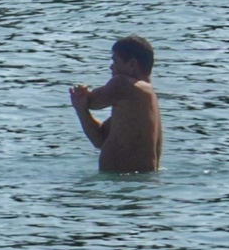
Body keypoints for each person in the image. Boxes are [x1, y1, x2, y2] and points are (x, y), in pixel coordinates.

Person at [69, 35, 162, 173]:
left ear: (132, 64)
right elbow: (100, 140)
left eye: (115, 61)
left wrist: (81, 94)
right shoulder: (145, 98)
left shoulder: (124, 84)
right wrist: (81, 110)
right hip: (134, 185)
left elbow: (91, 102)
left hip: (123, 186)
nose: (111, 67)